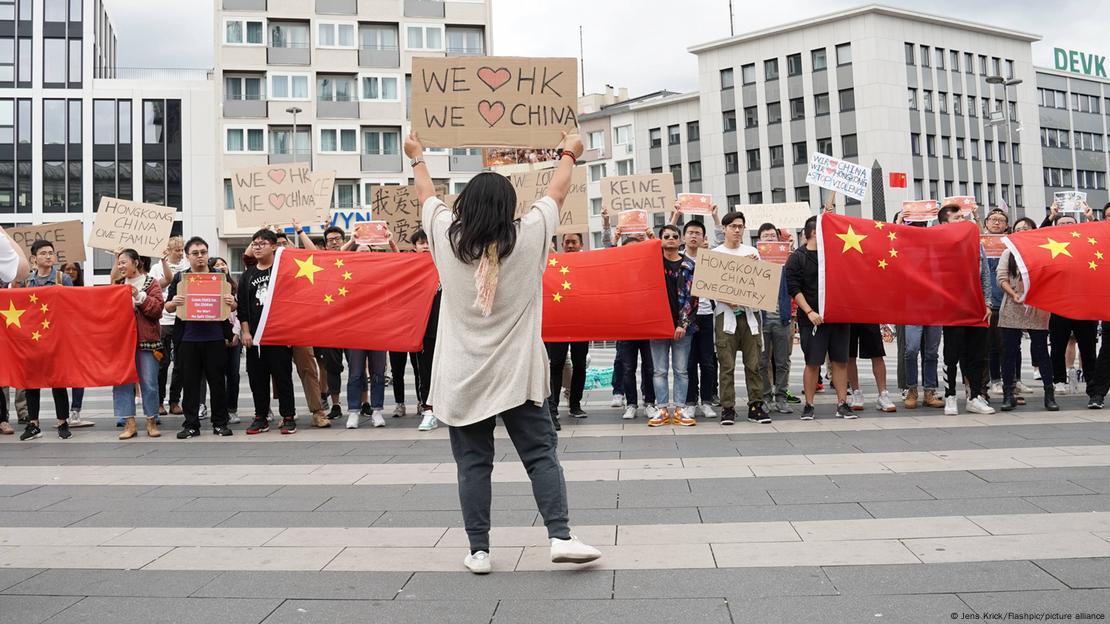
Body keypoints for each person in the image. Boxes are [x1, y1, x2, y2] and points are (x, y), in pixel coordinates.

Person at [408, 129, 601, 573]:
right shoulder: (531, 236)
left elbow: (425, 195)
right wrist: (568, 151)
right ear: (510, 207)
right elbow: (557, 189)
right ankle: (560, 536)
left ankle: (479, 550)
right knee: (540, 455)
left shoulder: (443, 236)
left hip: (461, 375)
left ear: (464, 207)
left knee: (473, 464)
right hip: (518, 375)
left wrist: (418, 157)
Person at [165, 237, 237, 438]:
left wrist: (232, 302)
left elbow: (233, 305)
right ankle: (191, 424)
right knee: (190, 384)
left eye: (203, 252)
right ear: (188, 257)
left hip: (215, 338)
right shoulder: (180, 278)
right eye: (195, 253)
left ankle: (220, 424)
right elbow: (168, 306)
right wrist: (174, 302)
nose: (200, 256)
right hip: (188, 339)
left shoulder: (219, 277)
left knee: (217, 383)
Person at [784, 216, 853, 421]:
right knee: (812, 362)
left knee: (840, 361)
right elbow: (793, 287)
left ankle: (842, 403)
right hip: (812, 319)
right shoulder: (797, 257)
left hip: (838, 317)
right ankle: (809, 405)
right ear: (814, 233)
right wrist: (809, 312)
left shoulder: (835, 254)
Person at [936, 204, 994, 415]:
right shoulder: (938, 244)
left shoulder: (975, 244)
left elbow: (985, 274)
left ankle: (975, 396)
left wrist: (987, 303)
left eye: (963, 216)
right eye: (957, 218)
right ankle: (950, 395)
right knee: (952, 354)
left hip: (976, 306)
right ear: (944, 223)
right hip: (952, 307)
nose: (963, 220)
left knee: (977, 355)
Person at [239, 229, 298, 434]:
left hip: (279, 335)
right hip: (255, 337)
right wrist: (246, 332)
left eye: (262, 243)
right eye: (254, 243)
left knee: (283, 377)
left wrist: (289, 333)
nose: (257, 246)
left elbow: (292, 304)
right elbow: (243, 309)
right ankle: (261, 416)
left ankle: (288, 416)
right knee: (257, 378)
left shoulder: (283, 272)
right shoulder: (247, 275)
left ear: (274, 246)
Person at [713, 211, 769, 424]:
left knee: (753, 363)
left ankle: (756, 405)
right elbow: (708, 287)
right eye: (733, 226)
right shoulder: (716, 254)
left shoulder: (752, 252)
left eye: (740, 226)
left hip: (749, 315)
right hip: (725, 315)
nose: (737, 230)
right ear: (725, 229)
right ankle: (728, 407)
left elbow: (762, 283)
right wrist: (727, 299)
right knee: (726, 365)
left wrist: (755, 267)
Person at [995, 217, 1057, 412]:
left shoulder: (1042, 252)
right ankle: (1008, 394)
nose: (1022, 231)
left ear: (1033, 231)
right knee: (1008, 353)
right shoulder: (1008, 252)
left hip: (1037, 307)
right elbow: (1001, 277)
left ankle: (1049, 394)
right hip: (1012, 306)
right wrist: (1014, 294)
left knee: (1041, 352)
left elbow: (1049, 277)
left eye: (1026, 228)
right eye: (1018, 228)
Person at [17, 240, 74, 441]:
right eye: (43, 253)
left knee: (58, 381)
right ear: (34, 258)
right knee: (31, 382)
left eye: (51, 253)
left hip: (57, 339)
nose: (49, 256)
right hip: (32, 340)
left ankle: (62, 422)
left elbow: (73, 305)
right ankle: (33, 424)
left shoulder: (62, 278)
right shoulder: (26, 282)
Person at [647, 224, 698, 427]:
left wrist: (682, 324)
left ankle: (679, 408)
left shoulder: (689, 266)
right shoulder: (652, 265)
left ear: (680, 241)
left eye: (674, 236)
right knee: (659, 370)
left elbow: (692, 298)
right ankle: (661, 409)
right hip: (657, 326)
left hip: (682, 328)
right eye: (666, 236)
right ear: (660, 240)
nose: (670, 239)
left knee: (681, 370)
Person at [112, 249, 165, 439]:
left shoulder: (151, 283)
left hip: (146, 341)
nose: (121, 266)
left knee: (149, 383)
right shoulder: (117, 285)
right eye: (119, 263)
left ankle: (151, 421)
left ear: (136, 262)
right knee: (122, 383)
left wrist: (139, 296)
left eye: (124, 262)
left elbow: (158, 309)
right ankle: (129, 423)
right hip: (122, 343)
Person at [676, 211, 721, 419]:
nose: (694, 236)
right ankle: (690, 402)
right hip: (686, 317)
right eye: (690, 232)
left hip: (707, 313)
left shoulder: (710, 257)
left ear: (704, 238)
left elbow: (722, 240)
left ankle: (707, 401)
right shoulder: (678, 259)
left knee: (708, 360)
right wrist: (675, 215)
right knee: (688, 361)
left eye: (698, 233)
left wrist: (716, 218)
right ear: (684, 237)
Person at [301, 224, 347, 419]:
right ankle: (335, 404)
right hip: (331, 323)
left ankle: (365, 404)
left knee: (359, 367)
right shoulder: (323, 261)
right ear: (326, 244)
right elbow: (311, 251)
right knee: (332, 366)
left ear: (344, 241)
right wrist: (299, 231)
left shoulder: (356, 258)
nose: (334, 242)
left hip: (355, 320)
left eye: (338, 239)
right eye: (330, 240)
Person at [545, 232, 590, 423]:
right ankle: (552, 408)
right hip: (558, 322)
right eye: (567, 242)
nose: (570, 245)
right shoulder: (553, 263)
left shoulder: (588, 263)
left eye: (574, 242)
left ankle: (575, 404)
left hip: (581, 322)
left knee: (580, 365)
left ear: (581, 244)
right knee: (555, 365)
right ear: (561, 244)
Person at [756, 223, 795, 415]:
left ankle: (781, 397)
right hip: (762, 320)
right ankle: (765, 397)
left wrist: (791, 253)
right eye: (766, 236)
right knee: (762, 361)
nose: (770, 238)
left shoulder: (786, 261)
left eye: (773, 236)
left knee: (782, 361)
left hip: (782, 319)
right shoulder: (754, 260)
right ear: (759, 240)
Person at [149, 236, 190, 416]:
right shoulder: (156, 268)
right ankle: (159, 402)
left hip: (182, 320)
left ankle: (175, 401)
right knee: (162, 363)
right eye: (177, 250)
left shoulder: (187, 268)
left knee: (181, 363)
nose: (180, 253)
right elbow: (153, 288)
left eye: (182, 250)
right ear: (169, 250)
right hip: (163, 321)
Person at [55, 261, 94, 428]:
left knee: (78, 375)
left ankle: (75, 411)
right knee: (60, 374)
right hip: (61, 338)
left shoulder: (84, 291)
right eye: (67, 270)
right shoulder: (58, 287)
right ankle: (63, 414)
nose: (71, 272)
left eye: (74, 269)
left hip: (79, 338)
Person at [412, 229, 441, 431]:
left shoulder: (446, 263)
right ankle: (428, 410)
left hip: (450, 329)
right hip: (425, 330)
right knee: (426, 370)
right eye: (421, 243)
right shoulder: (410, 269)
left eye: (429, 242)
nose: (425, 246)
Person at [209, 257, 243, 424]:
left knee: (233, 375)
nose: (221, 267)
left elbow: (241, 311)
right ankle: (220, 409)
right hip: (216, 335)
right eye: (217, 265)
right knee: (217, 375)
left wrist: (236, 333)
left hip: (235, 334)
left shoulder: (236, 287)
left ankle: (232, 409)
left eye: (223, 264)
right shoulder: (210, 287)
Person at [983, 209, 1009, 398]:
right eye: (993, 220)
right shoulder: (979, 242)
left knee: (1009, 346)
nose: (997, 223)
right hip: (989, 304)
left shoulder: (1011, 243)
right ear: (986, 224)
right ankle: (995, 380)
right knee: (992, 345)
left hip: (1009, 301)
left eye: (1001, 220)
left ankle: (1013, 381)